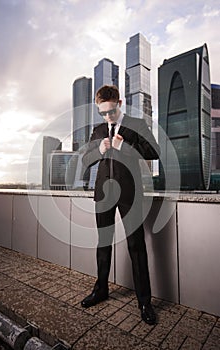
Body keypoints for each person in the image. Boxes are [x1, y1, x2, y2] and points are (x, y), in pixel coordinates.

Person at [81, 85, 160, 325]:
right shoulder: (97, 130)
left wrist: (122, 147)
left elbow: (154, 152)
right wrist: (100, 151)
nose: (107, 117)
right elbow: (85, 159)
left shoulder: (136, 125)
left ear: (120, 104)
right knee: (103, 243)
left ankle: (144, 302)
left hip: (130, 193)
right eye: (102, 112)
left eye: (111, 111)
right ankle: (101, 289)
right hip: (103, 193)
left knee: (136, 245)